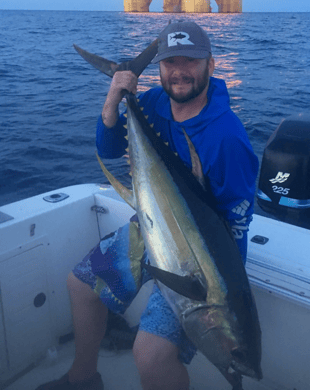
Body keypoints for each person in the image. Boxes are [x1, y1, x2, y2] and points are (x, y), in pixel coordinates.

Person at [37, 21, 259, 390]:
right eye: (171, 62)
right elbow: (108, 150)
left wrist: (224, 292)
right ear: (160, 68)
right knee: (80, 286)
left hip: (191, 263)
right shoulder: (154, 101)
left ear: (212, 66)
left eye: (192, 61)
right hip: (153, 226)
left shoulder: (227, 138)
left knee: (150, 355)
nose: (180, 72)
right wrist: (115, 97)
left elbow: (236, 226)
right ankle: (83, 379)